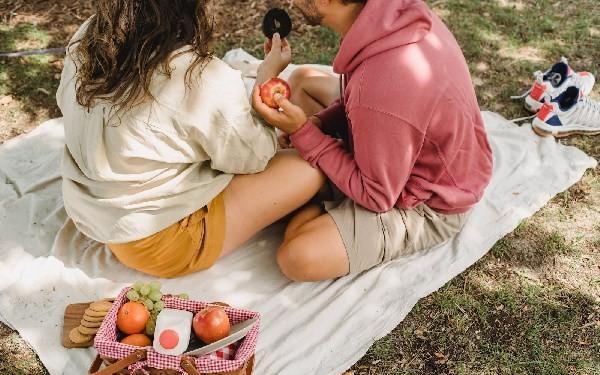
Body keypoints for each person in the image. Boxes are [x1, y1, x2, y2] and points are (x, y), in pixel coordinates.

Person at [56, 0, 326, 278]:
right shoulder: (197, 77)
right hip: (160, 241)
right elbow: (255, 156)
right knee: (312, 165)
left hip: (99, 215)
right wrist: (266, 77)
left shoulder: (89, 35)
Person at [252, 0, 494, 281]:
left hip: (430, 201)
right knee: (304, 81)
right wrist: (318, 124)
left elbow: (377, 196)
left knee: (296, 255)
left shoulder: (382, 83)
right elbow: (357, 98)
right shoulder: (387, 16)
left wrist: (304, 133)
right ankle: (333, 184)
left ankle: (329, 196)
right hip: (399, 148)